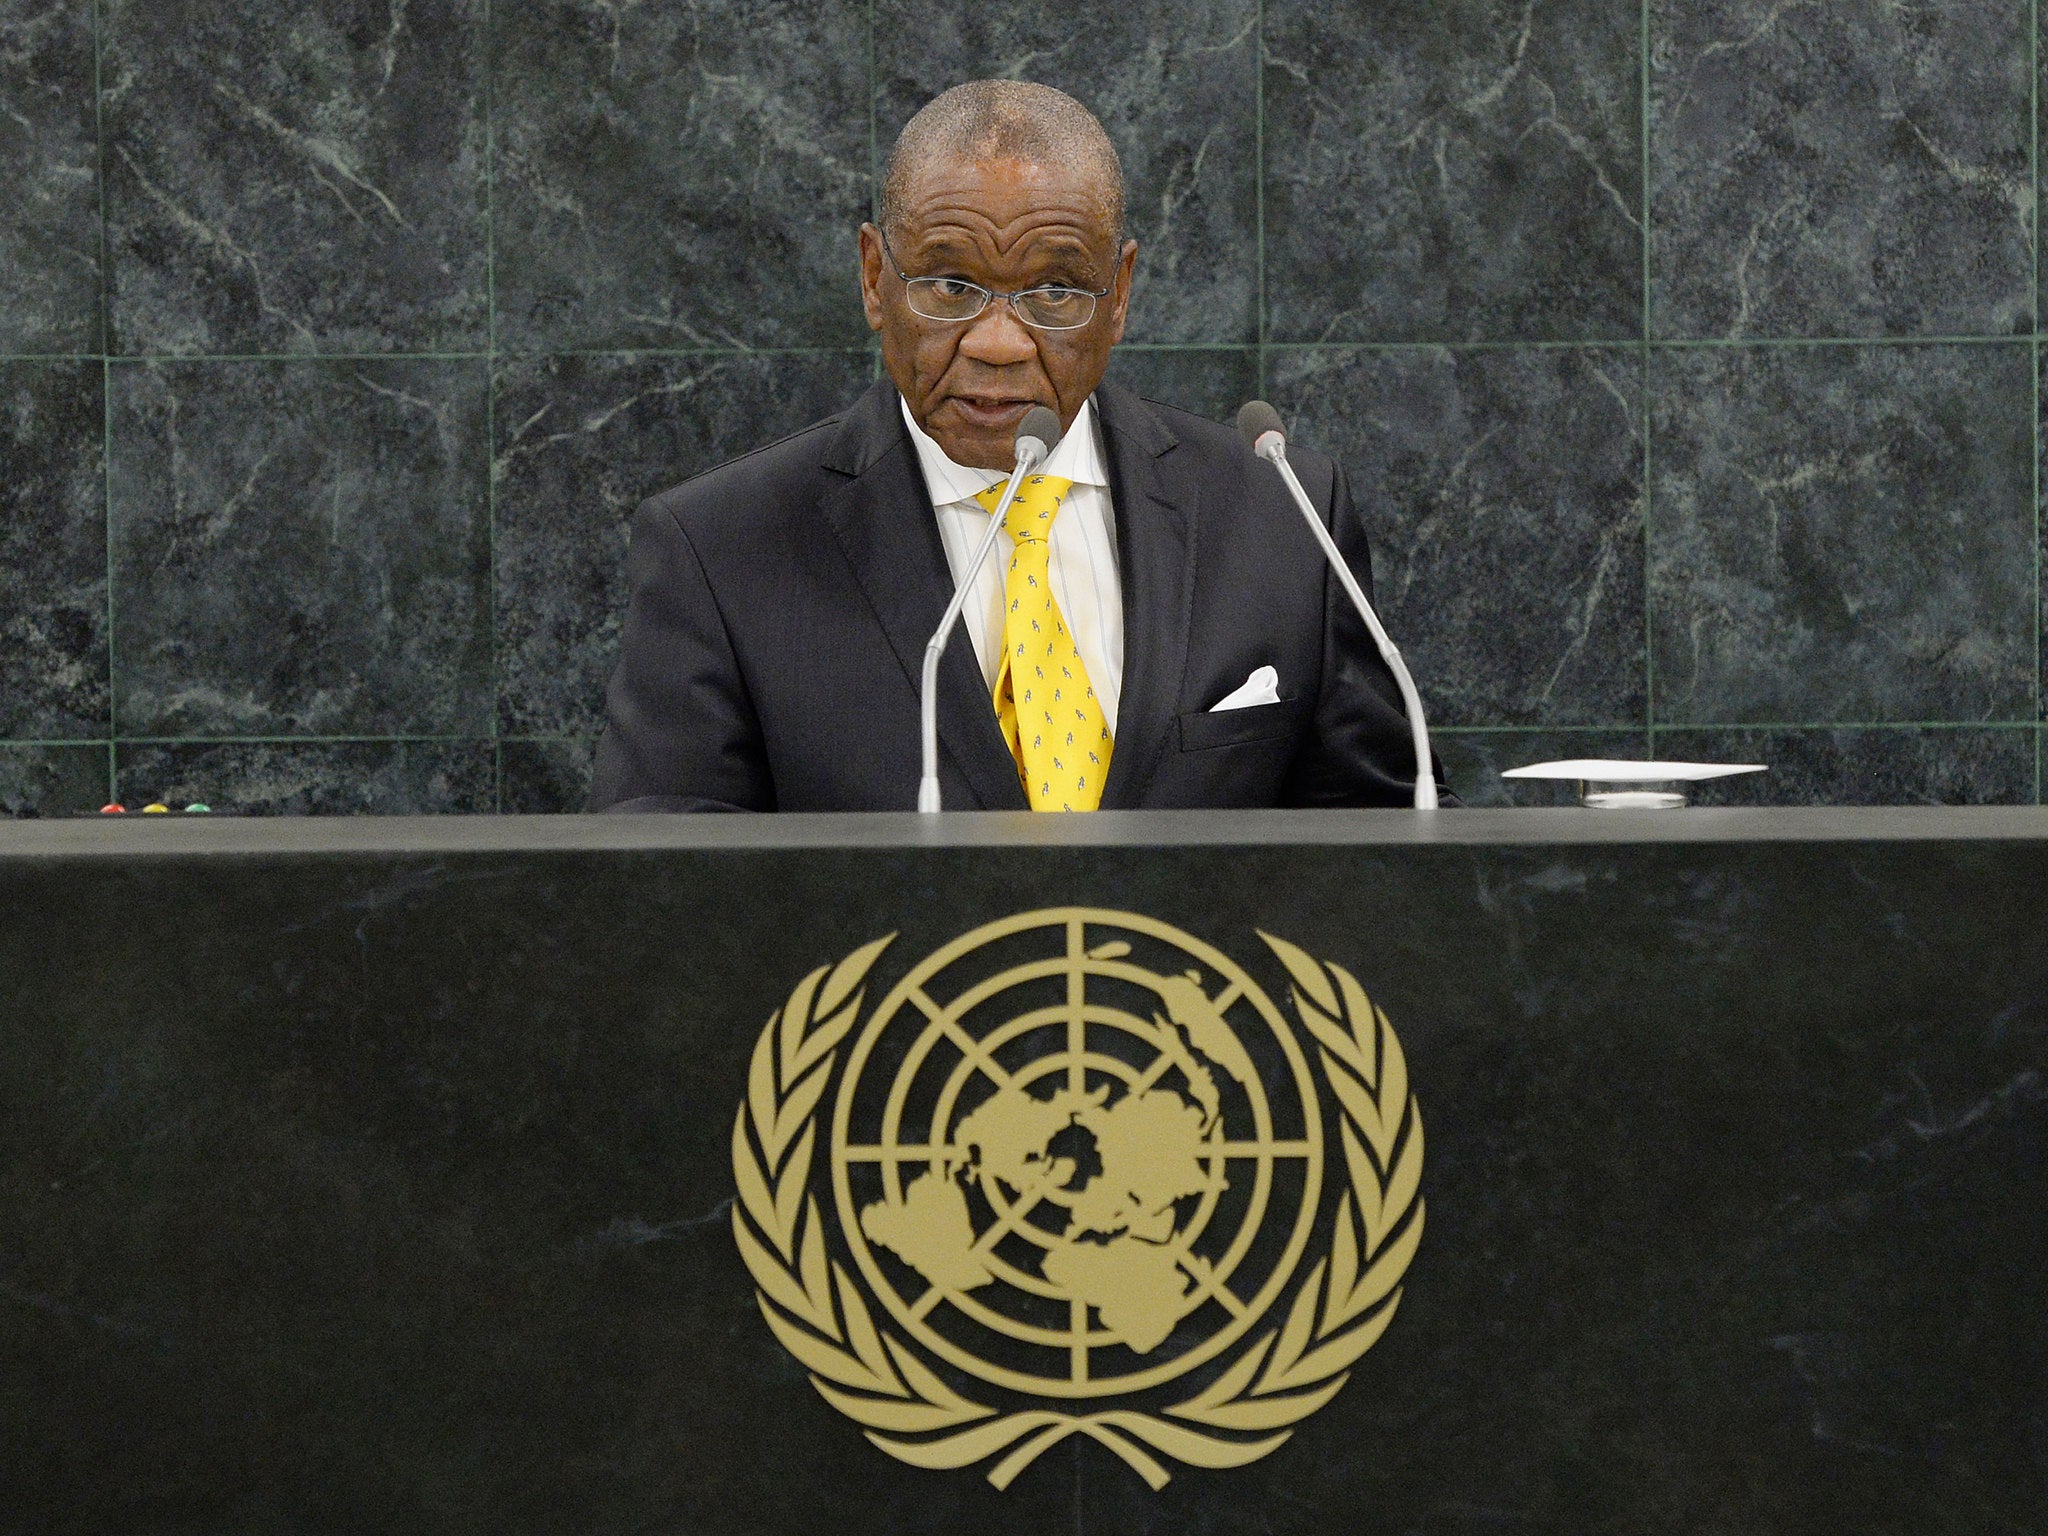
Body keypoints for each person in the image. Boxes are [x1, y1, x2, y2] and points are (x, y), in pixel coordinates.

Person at [589, 79, 1446, 813]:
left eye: (1055, 291)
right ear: (874, 279)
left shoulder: (1281, 519)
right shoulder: (723, 551)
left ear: (1120, 296)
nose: (998, 341)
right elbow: (668, 906)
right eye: (952, 284)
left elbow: (1392, 864)